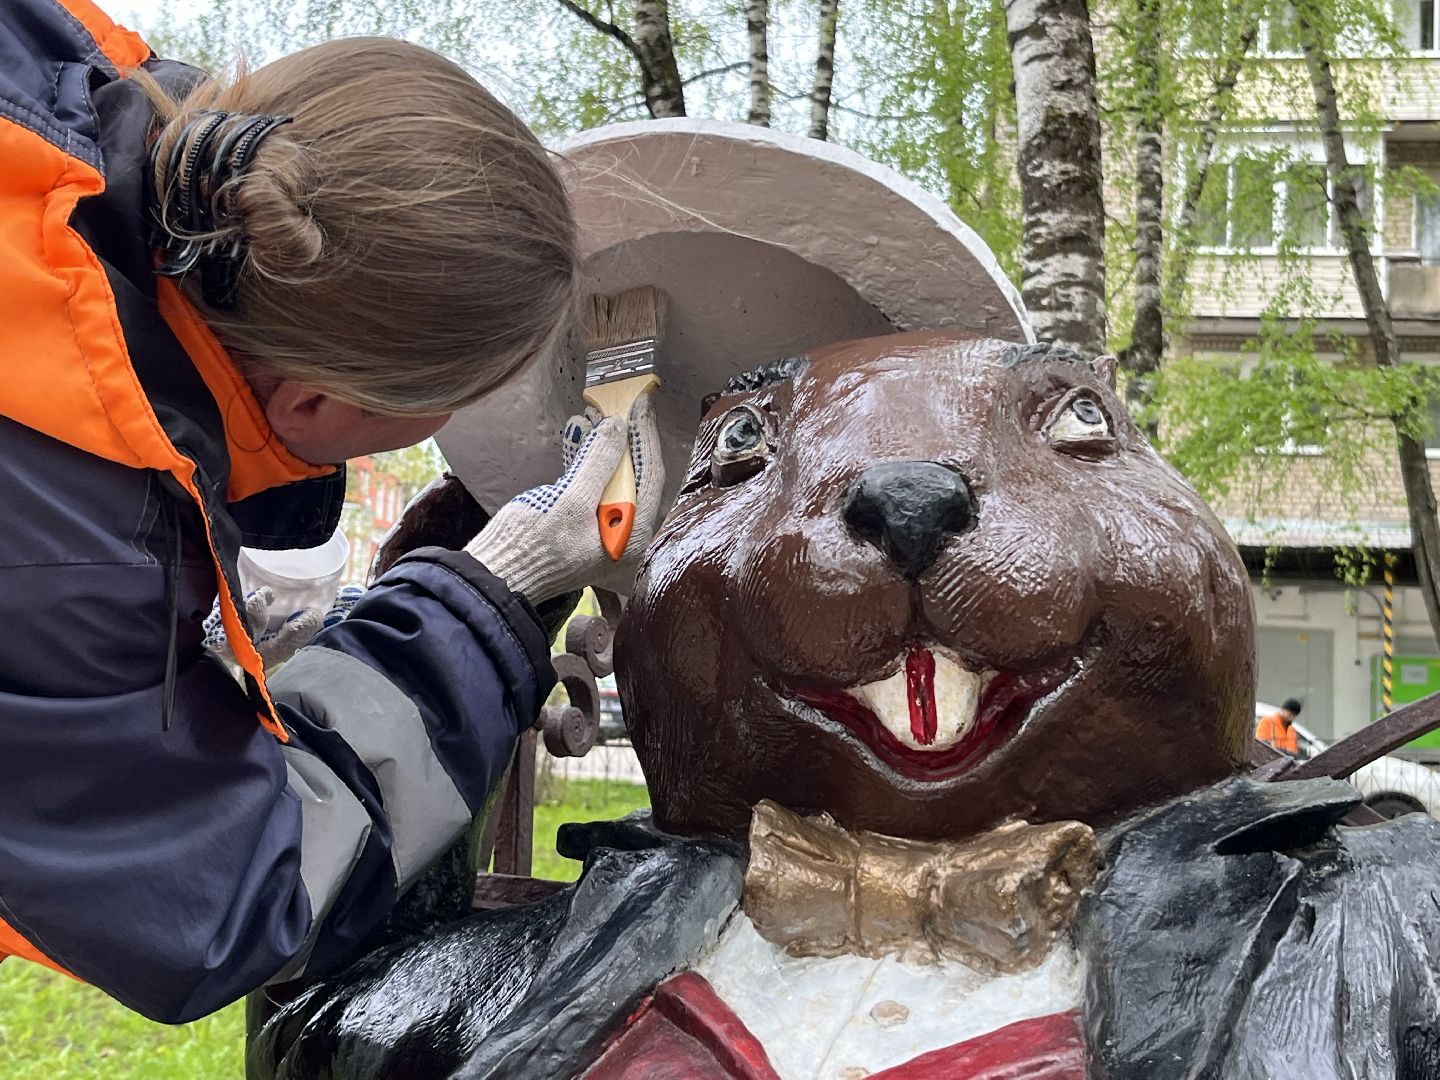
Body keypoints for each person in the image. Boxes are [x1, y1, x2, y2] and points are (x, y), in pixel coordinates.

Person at [0, 0, 661, 1023]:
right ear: (313, 402)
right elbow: (226, 893)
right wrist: (489, 595)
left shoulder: (61, 73)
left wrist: (249, 501)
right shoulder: (66, 564)